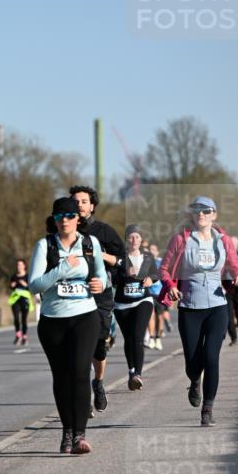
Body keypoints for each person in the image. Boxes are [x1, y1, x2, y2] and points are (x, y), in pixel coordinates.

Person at [29, 196, 107, 454]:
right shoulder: (45, 245)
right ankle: (67, 431)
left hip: (85, 316)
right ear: (54, 220)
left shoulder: (89, 243)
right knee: (62, 377)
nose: (65, 220)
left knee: (80, 372)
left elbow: (102, 276)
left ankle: (80, 435)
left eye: (70, 216)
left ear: (78, 219)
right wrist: (61, 269)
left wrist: (100, 284)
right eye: (60, 216)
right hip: (53, 321)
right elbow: (35, 285)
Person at [159, 196, 238, 427]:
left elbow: (234, 264)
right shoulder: (181, 239)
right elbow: (164, 268)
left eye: (206, 210)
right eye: (197, 210)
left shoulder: (223, 239)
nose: (201, 214)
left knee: (211, 357)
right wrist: (171, 286)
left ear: (214, 215)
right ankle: (194, 380)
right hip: (189, 306)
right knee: (192, 362)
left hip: (217, 305)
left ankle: (207, 409)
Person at [69, 185, 124, 413]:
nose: (79, 205)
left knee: (98, 346)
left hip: (101, 296)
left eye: (84, 202)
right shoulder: (65, 232)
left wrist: (101, 255)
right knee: (77, 347)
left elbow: (123, 261)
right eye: (75, 202)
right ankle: (81, 396)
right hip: (73, 296)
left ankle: (98, 383)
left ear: (92, 206)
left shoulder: (104, 231)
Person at [113, 225, 159, 389]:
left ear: (141, 239)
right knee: (129, 338)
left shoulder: (147, 257)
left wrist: (151, 279)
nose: (134, 240)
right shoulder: (120, 258)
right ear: (126, 240)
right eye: (131, 237)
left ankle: (137, 374)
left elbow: (156, 274)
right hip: (122, 304)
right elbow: (113, 280)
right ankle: (131, 370)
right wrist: (126, 273)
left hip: (143, 300)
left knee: (138, 335)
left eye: (137, 237)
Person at [223, 235, 238, 346]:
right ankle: (234, 338)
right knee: (228, 316)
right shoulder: (223, 254)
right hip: (227, 289)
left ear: (237, 245)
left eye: (233, 244)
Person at [9, 259, 33, 346]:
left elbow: (32, 287)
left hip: (25, 299)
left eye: (20, 265)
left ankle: (24, 337)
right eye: (17, 265)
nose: (18, 266)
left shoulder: (28, 276)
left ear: (24, 266)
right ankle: (18, 335)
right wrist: (12, 285)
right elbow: (10, 286)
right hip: (15, 299)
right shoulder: (14, 276)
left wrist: (25, 285)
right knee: (16, 318)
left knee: (24, 319)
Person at [146, 242, 165, 351]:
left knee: (160, 317)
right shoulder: (145, 262)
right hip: (149, 293)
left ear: (157, 252)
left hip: (160, 293)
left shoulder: (161, 262)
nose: (152, 252)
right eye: (150, 250)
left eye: (154, 250)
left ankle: (158, 338)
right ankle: (151, 338)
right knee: (150, 315)